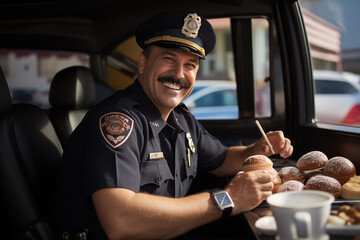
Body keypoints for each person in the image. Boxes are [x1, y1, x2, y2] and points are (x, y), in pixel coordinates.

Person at [52, 10, 293, 240]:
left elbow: (221, 159)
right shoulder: (118, 122)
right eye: (168, 59)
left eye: (190, 65)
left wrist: (256, 149)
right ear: (143, 64)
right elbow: (121, 222)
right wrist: (228, 198)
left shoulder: (182, 118)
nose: (179, 74)